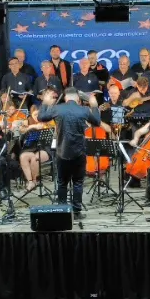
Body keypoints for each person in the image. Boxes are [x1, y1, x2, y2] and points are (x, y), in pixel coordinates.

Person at [37, 87, 101, 217]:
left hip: (62, 151)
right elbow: (97, 122)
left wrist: (45, 103)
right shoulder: (83, 109)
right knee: (78, 182)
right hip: (79, 152)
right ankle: (77, 211)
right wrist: (94, 106)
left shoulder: (57, 108)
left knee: (62, 183)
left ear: (65, 98)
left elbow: (41, 117)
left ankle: (62, 211)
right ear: (78, 98)